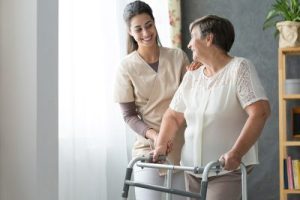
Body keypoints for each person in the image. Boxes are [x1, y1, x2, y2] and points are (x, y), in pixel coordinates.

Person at [153, 15, 271, 200]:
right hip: (191, 169)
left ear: (209, 39)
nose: (189, 44)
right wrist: (160, 145)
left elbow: (260, 111)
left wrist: (236, 153)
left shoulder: (239, 68)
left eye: (193, 37)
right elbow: (173, 115)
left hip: (225, 169)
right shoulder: (193, 75)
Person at [113, 1, 199, 199]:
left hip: (179, 149)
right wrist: (155, 136)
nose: (146, 32)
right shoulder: (126, 67)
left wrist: (198, 75)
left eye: (149, 25)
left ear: (154, 23)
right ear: (130, 32)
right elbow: (129, 116)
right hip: (148, 150)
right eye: (138, 29)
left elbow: (192, 100)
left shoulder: (177, 57)